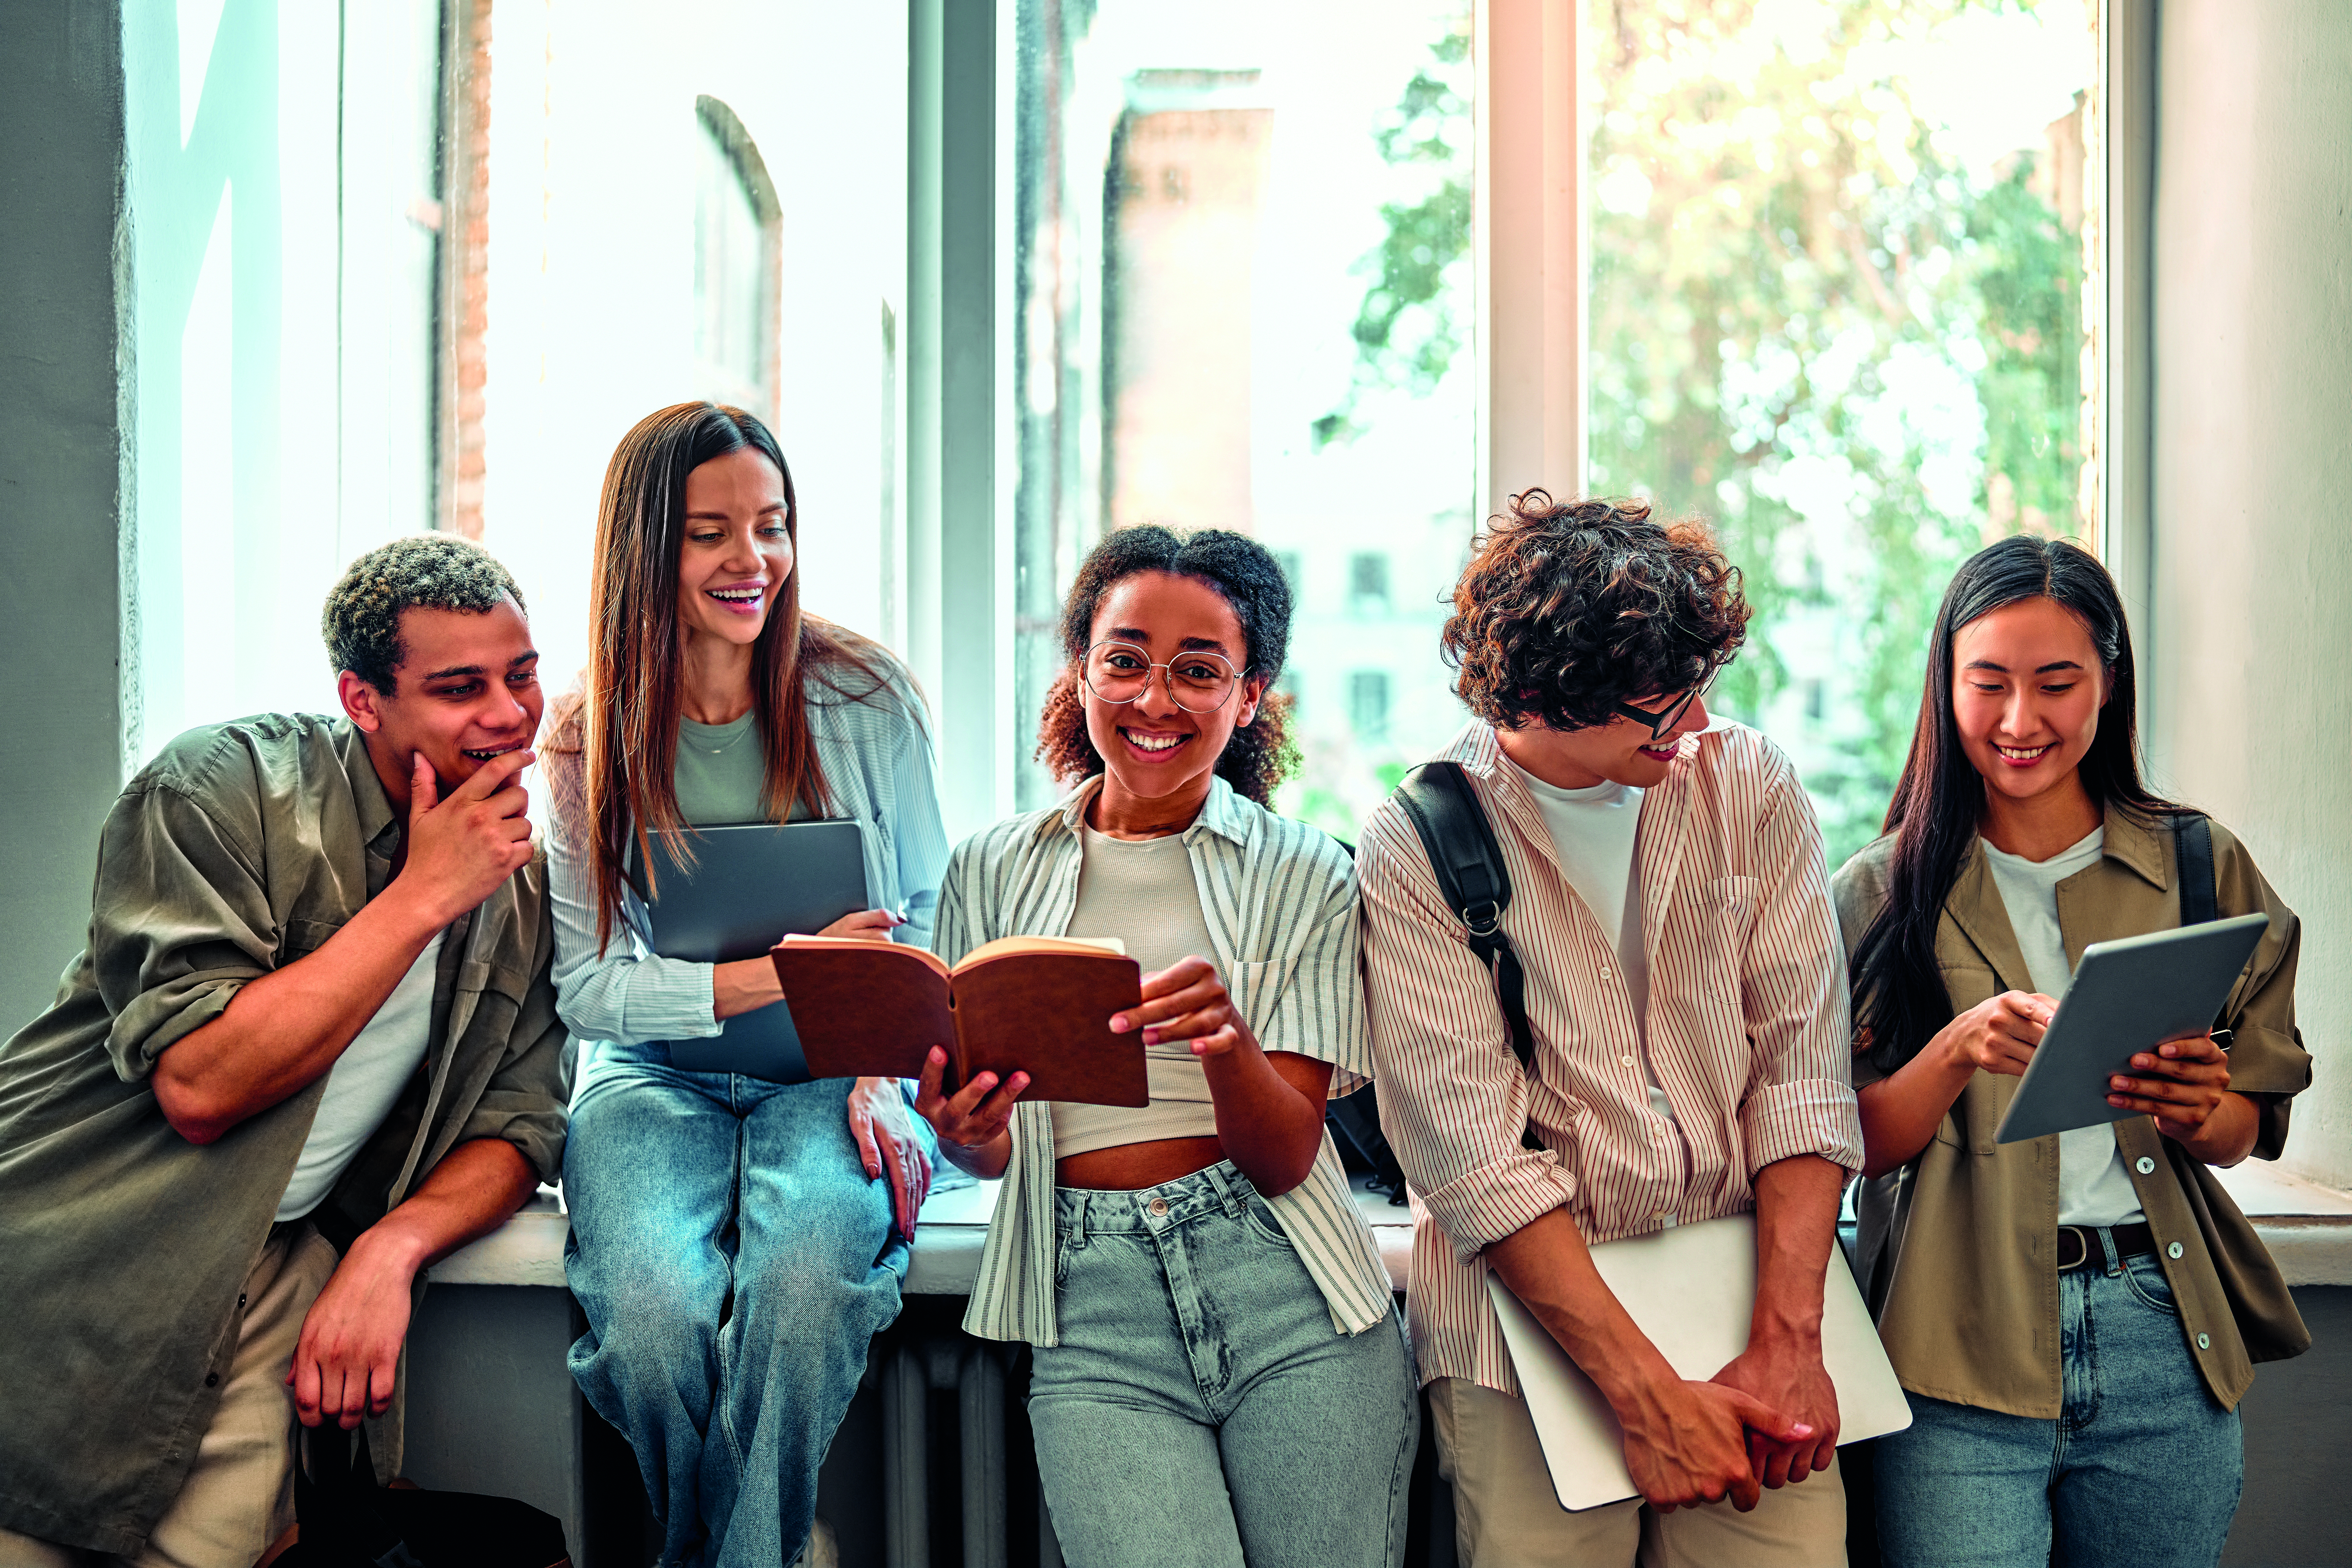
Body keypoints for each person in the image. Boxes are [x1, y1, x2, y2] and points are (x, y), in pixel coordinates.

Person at [0, 536, 568, 1568]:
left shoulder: (520, 875)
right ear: (362, 700)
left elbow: (520, 1125)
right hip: (82, 1251)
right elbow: (202, 1083)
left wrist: (389, 1251)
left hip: (276, 1276)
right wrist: (424, 898)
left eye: (521, 675)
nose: (508, 714)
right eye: (459, 687)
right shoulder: (221, 788)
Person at [1357, 491, 1864, 1567]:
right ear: (1542, 698)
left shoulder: (1751, 783)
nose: (1691, 724)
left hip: (1748, 1309)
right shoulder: (1419, 842)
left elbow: (1803, 1076)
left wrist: (1788, 1341)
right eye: (1659, 705)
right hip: (1524, 1344)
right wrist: (1641, 1397)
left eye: (1697, 689)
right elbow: (1473, 1161)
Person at [912, 526, 1418, 1568]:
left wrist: (1228, 1040)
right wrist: (966, 1135)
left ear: (1249, 696)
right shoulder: (991, 869)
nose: (1155, 700)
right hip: (1092, 1313)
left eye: (1199, 672)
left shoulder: (1306, 874)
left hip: (1294, 1297)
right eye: (1126, 660)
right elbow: (997, 1151)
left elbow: (1285, 1160)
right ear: (1081, 670)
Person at [1834, 534, 2310, 1568]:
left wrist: (2202, 1107)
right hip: (1951, 1336)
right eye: (1988, 683)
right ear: (1944, 688)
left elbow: (2244, 1131)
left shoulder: (2201, 864)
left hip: (2157, 1326)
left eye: (2057, 683)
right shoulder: (1878, 892)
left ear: (2109, 682)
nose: (2020, 721)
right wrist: (1958, 1048)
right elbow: (1847, 1146)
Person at [543, 402, 950, 1568]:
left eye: (771, 527)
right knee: (656, 1323)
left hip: (835, 1078)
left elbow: (927, 912)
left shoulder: (866, 696)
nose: (751, 561)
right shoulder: (583, 738)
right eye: (710, 532)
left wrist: (882, 1072)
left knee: (807, 1290)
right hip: (649, 1086)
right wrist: (764, 980)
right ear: (644, 550)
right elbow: (590, 988)